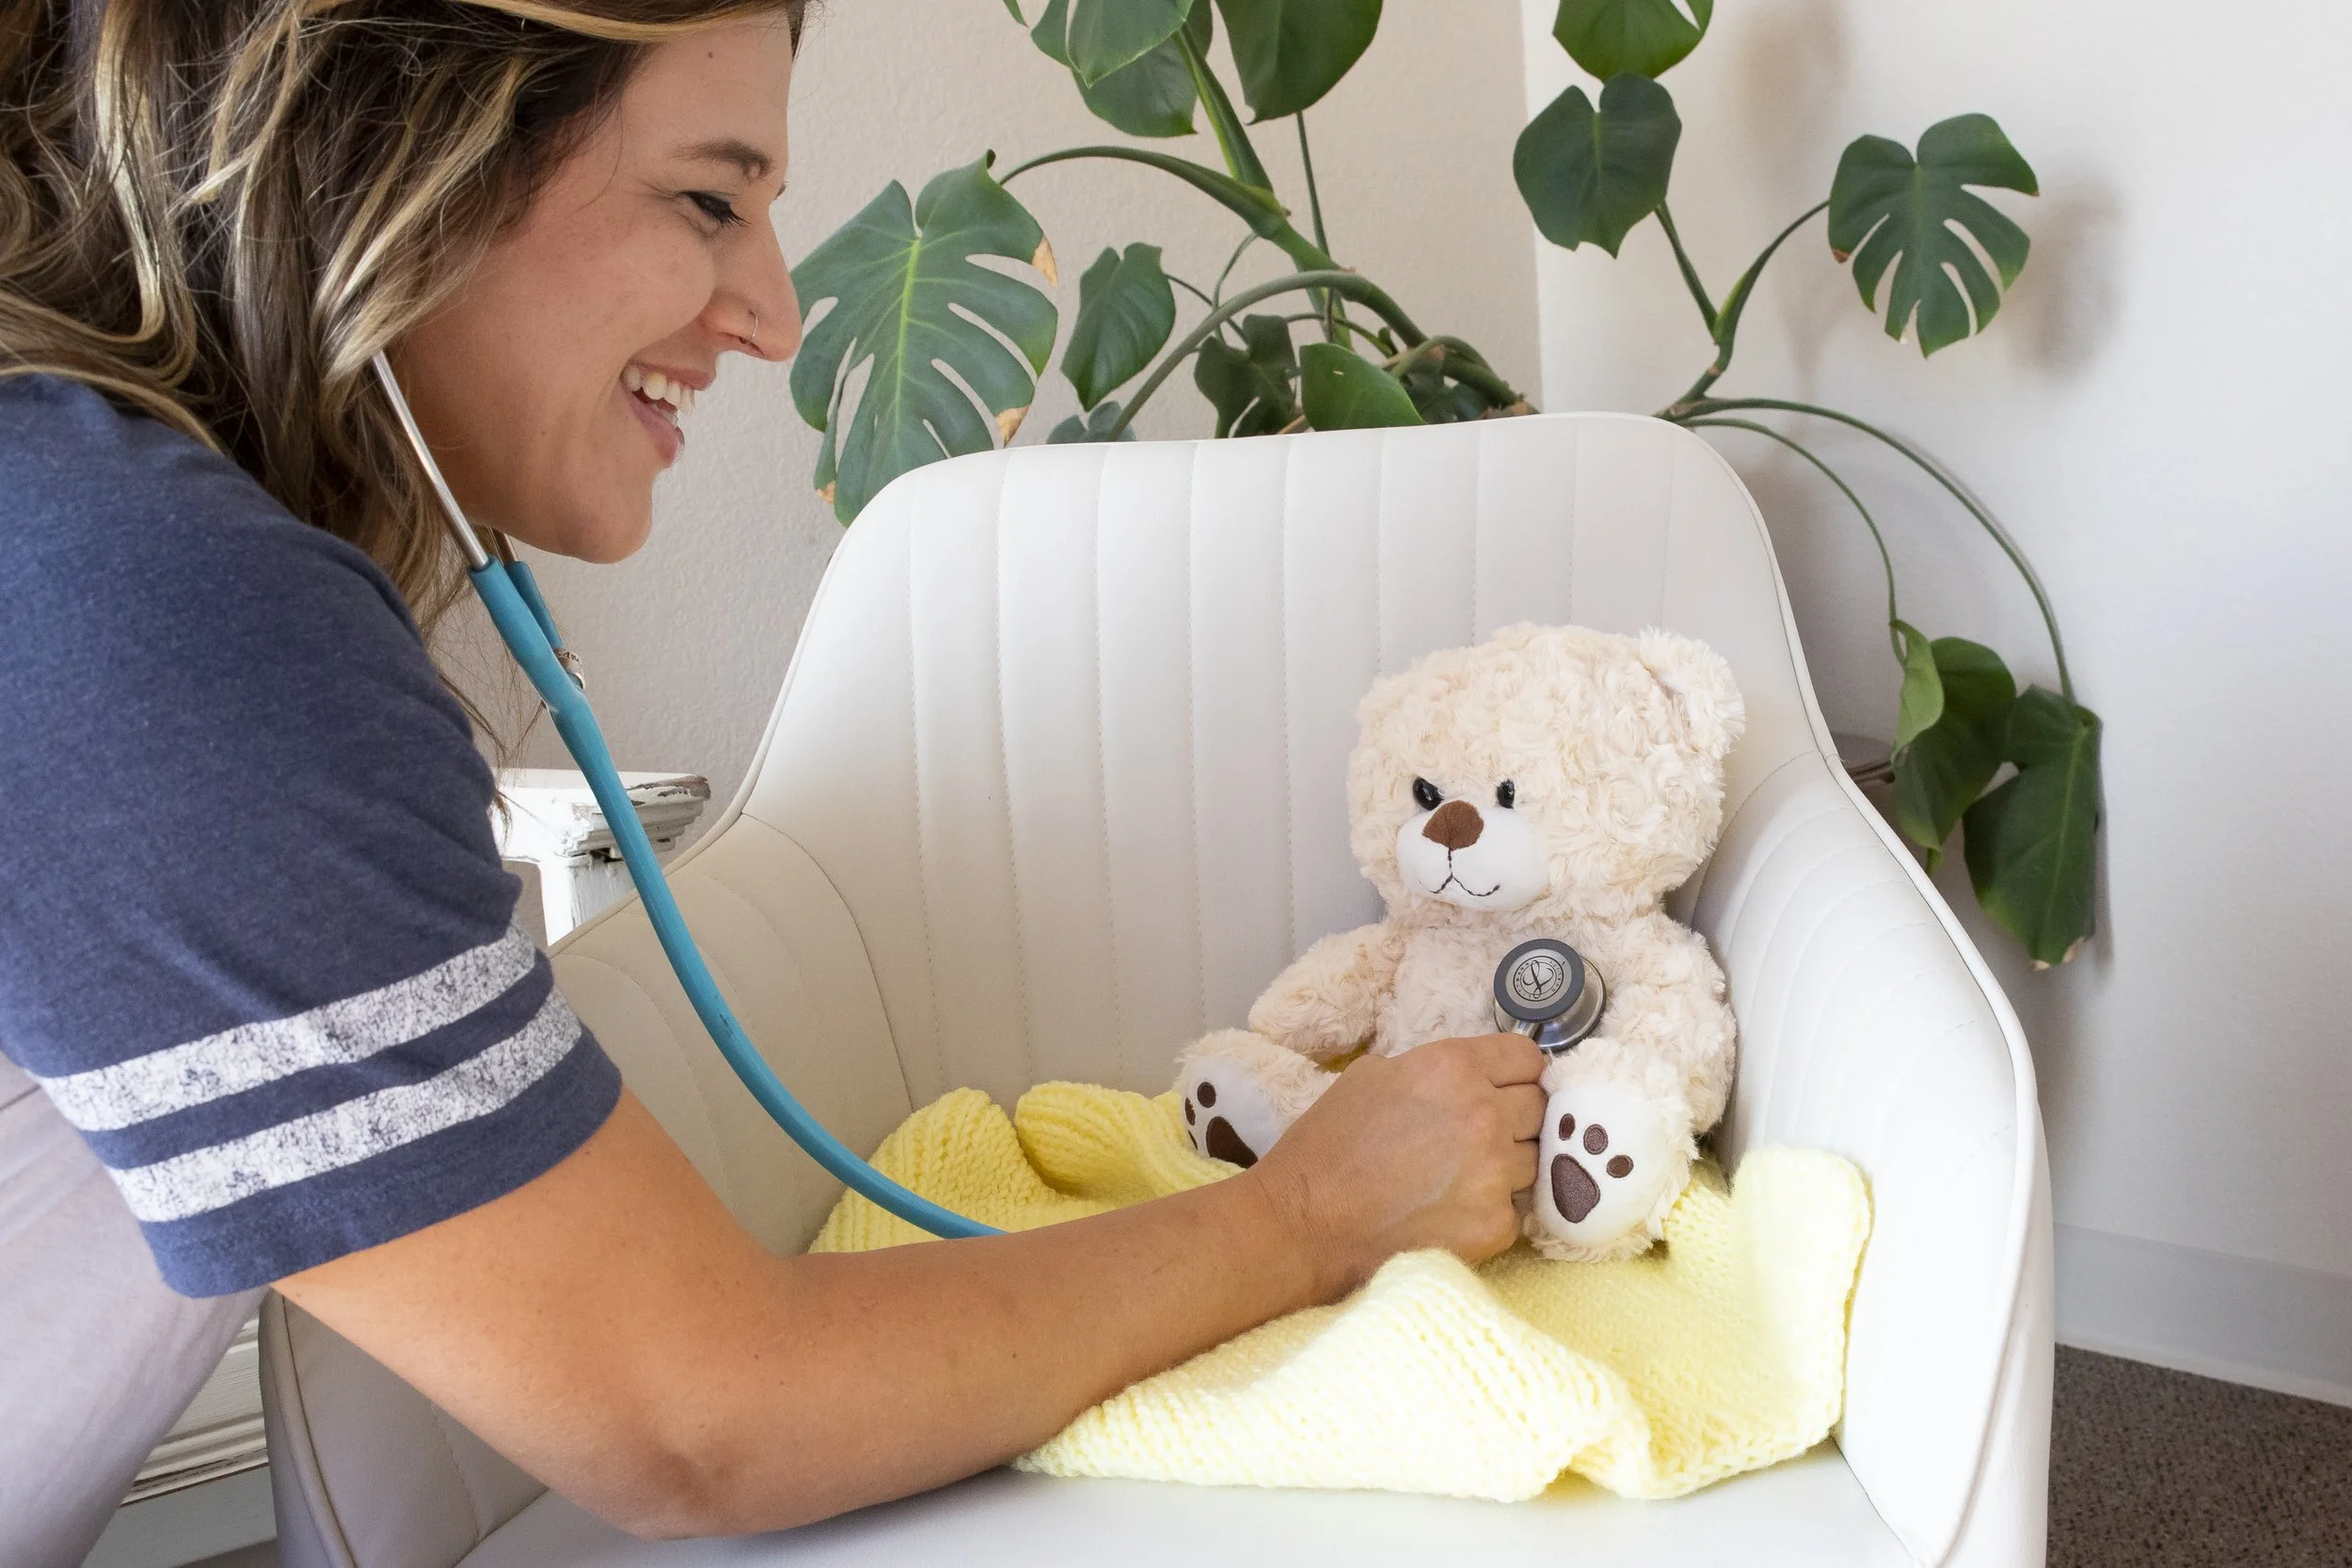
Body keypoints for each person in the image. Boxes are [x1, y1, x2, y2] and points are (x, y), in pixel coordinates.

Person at [0, 3, 1547, 1560]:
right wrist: (1314, 1215)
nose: (775, 312)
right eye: (707, 200)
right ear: (380, 145)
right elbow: (702, 1415)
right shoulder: (134, 604)